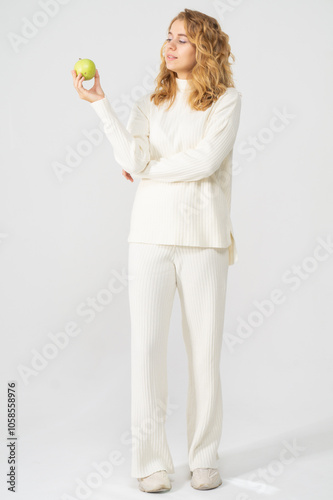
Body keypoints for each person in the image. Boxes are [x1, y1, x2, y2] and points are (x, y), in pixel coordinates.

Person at [71, 7, 242, 493]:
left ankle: (204, 456)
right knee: (147, 351)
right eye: (168, 36)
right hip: (148, 237)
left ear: (203, 49)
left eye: (182, 39)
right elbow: (129, 156)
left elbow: (206, 161)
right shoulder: (150, 103)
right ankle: (150, 461)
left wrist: (148, 168)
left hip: (206, 239)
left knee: (204, 355)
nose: (170, 45)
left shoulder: (227, 100)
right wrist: (99, 102)